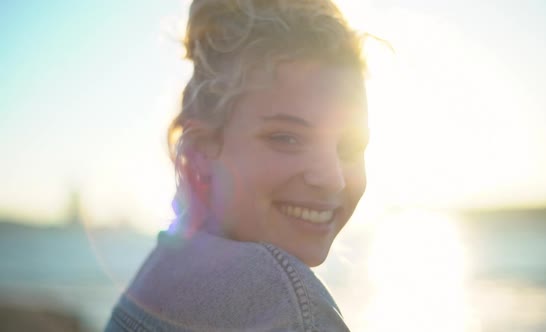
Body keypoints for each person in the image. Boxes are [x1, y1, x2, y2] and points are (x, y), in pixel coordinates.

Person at [105, 0, 369, 330]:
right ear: (201, 151)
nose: (333, 179)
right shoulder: (287, 306)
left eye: (350, 147)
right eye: (286, 138)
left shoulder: (160, 268)